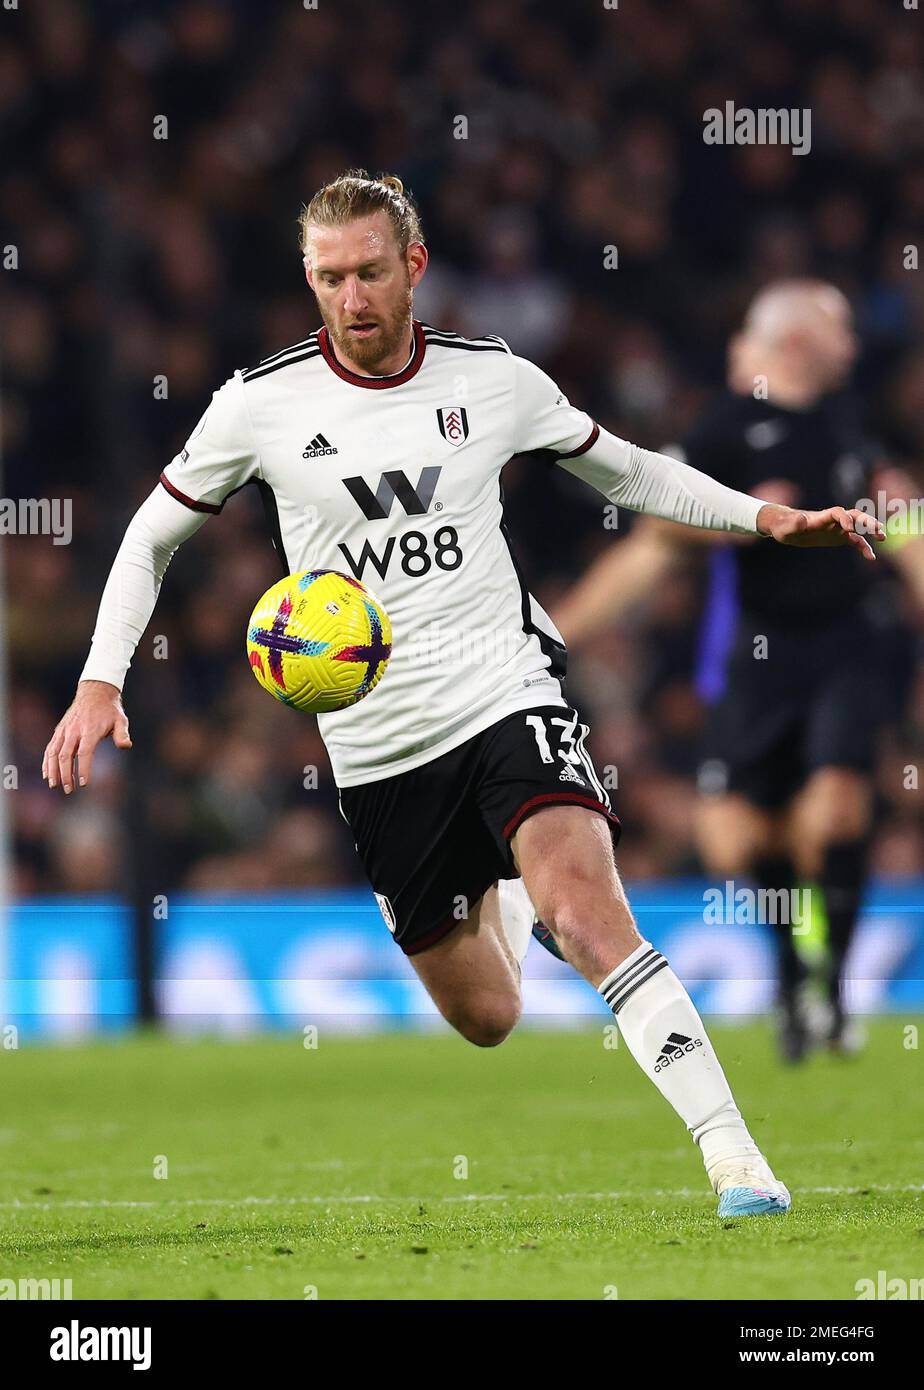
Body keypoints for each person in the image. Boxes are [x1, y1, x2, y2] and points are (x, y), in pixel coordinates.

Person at [43, 175, 881, 1217]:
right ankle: (511, 895)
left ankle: (734, 1156)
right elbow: (150, 537)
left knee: (590, 913)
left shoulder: (495, 381)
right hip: (379, 743)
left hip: (505, 688)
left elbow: (628, 473)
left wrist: (765, 520)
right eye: (329, 276)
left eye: (369, 272)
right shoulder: (258, 404)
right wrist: (97, 679)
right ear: (310, 278)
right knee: (488, 1014)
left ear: (414, 267)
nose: (351, 297)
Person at [553, 280, 923, 1060]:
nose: (854, 345)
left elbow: (905, 518)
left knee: (837, 814)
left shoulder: (858, 423)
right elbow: (658, 537)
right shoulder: (726, 428)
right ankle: (795, 978)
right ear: (799, 341)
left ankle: (836, 993)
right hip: (757, 656)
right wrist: (746, 518)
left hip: (849, 645)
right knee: (733, 841)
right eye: (840, 329)